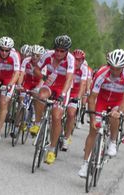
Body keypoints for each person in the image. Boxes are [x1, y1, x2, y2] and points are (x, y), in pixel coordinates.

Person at [78, 49, 124, 178]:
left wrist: (119, 111)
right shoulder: (102, 73)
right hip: (102, 100)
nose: (114, 71)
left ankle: (113, 141)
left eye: (118, 68)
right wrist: (92, 119)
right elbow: (92, 98)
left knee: (115, 115)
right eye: (112, 67)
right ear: (109, 65)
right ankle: (85, 164)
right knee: (93, 130)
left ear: (123, 67)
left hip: (118, 100)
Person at [30, 35, 75, 165]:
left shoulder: (70, 60)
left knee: (56, 116)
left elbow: (69, 78)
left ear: (67, 51)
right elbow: (36, 69)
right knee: (40, 96)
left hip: (63, 88)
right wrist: (43, 77)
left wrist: (63, 94)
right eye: (57, 50)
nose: (59, 53)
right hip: (50, 84)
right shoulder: (48, 55)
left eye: (62, 51)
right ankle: (37, 124)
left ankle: (51, 150)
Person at [0, 36, 20, 144]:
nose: (4, 52)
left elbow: (16, 73)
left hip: (8, 79)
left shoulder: (14, 56)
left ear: (10, 50)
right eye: (2, 49)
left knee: (3, 102)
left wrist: (10, 85)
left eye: (7, 50)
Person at [12, 44, 45, 137]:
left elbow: (43, 79)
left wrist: (38, 89)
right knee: (21, 102)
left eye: (37, 55)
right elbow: (21, 73)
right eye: (33, 54)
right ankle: (16, 127)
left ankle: (34, 116)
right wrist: (19, 85)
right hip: (28, 82)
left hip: (38, 83)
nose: (34, 57)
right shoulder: (26, 60)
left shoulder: (43, 64)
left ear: (41, 56)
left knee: (36, 97)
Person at [62, 49, 88, 151]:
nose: (77, 62)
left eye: (79, 60)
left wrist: (78, 97)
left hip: (74, 93)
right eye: (75, 60)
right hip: (64, 90)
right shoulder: (67, 64)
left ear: (82, 61)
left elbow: (83, 85)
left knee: (71, 113)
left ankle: (67, 137)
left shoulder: (84, 69)